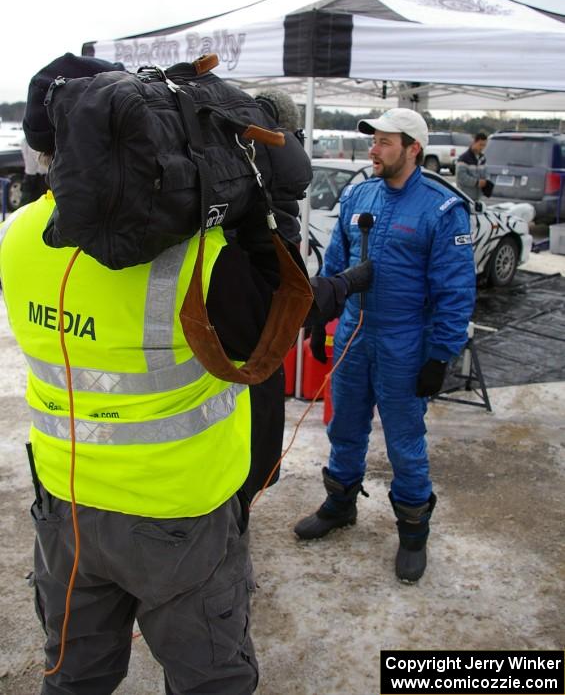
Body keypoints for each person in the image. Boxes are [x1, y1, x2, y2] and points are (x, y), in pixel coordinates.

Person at [0, 107, 370, 693]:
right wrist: (265, 219)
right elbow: (275, 324)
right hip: (176, 514)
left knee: (73, 676)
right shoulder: (196, 251)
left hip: (64, 502)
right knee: (210, 682)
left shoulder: (18, 233)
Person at [294, 108, 476, 584]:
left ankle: (413, 532)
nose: (373, 149)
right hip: (354, 335)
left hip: (404, 342)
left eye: (385, 142)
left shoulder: (441, 208)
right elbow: (336, 265)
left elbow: (456, 292)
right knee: (344, 427)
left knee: (404, 443)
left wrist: (439, 356)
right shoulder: (358, 193)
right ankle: (340, 504)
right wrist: (320, 322)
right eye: (373, 141)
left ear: (413, 148)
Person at [456, 132, 492, 200]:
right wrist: (476, 182)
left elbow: (486, 173)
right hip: (465, 197)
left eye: (484, 145)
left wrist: (486, 181)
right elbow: (461, 177)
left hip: (478, 198)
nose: (482, 147)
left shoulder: (482, 158)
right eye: (480, 145)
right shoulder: (464, 158)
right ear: (474, 142)